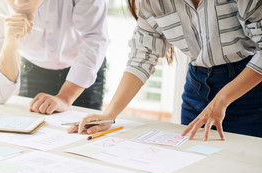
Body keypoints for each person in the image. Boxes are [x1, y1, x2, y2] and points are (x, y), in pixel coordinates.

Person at [68, 0, 262, 140]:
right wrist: (109, 114)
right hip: (197, 87)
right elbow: (142, 56)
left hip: (249, 87)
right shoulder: (152, 2)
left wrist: (223, 98)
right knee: (196, 167)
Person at [0, 0, 108, 114]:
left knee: (84, 129)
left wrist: (65, 97)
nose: (18, 4)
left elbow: (94, 39)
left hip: (82, 66)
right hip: (33, 68)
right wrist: (9, 46)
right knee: (32, 128)